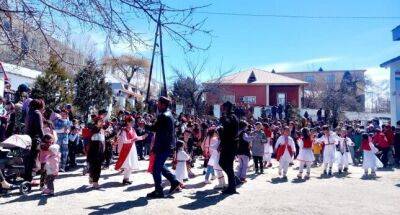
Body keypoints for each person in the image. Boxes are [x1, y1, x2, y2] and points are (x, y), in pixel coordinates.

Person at [147, 97, 181, 198]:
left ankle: (159, 190)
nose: (157, 105)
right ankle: (174, 181)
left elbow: (154, 128)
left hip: (163, 146)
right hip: (166, 145)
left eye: (158, 103)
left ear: (163, 104)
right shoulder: (169, 114)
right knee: (160, 166)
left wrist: (144, 125)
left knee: (156, 169)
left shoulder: (163, 116)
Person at [115, 116, 147, 185]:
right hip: (126, 149)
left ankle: (126, 179)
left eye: (133, 121)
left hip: (132, 148)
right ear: (127, 122)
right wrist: (133, 140)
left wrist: (142, 137)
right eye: (132, 122)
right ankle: (125, 179)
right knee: (128, 165)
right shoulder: (124, 130)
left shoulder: (133, 129)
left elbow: (136, 138)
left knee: (131, 164)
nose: (133, 123)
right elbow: (125, 141)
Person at [218, 101, 239, 195]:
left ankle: (232, 187)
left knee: (228, 165)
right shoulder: (231, 116)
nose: (222, 109)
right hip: (227, 144)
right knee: (222, 163)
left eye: (224, 107)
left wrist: (222, 119)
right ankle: (234, 180)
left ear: (227, 108)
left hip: (230, 144)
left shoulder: (231, 117)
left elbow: (227, 125)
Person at [24, 99, 45, 182]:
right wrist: (44, 139)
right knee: (33, 159)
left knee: (28, 159)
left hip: (28, 138)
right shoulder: (37, 113)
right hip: (34, 139)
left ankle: (27, 177)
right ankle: (29, 180)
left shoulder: (29, 113)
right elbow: (39, 128)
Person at [87, 116, 106, 189]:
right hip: (93, 150)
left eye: (102, 121)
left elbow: (103, 140)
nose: (102, 122)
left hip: (100, 150)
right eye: (100, 121)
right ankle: (94, 180)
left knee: (98, 167)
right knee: (94, 166)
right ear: (96, 122)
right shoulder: (94, 128)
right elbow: (95, 130)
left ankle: (94, 180)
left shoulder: (102, 130)